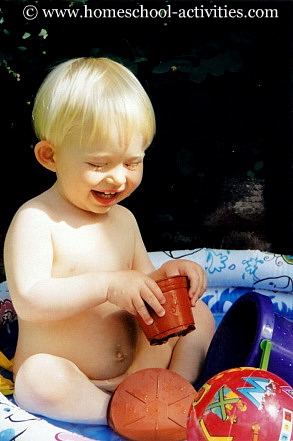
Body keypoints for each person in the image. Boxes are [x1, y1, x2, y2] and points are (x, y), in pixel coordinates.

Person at [4, 57, 215, 425]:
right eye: (100, 165)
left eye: (132, 163)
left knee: (200, 312)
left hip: (138, 369)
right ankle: (117, 416)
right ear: (49, 156)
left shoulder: (124, 220)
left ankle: (177, 392)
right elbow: (31, 301)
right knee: (36, 380)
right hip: (76, 380)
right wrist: (105, 284)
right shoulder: (36, 220)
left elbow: (145, 288)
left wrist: (172, 277)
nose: (118, 179)